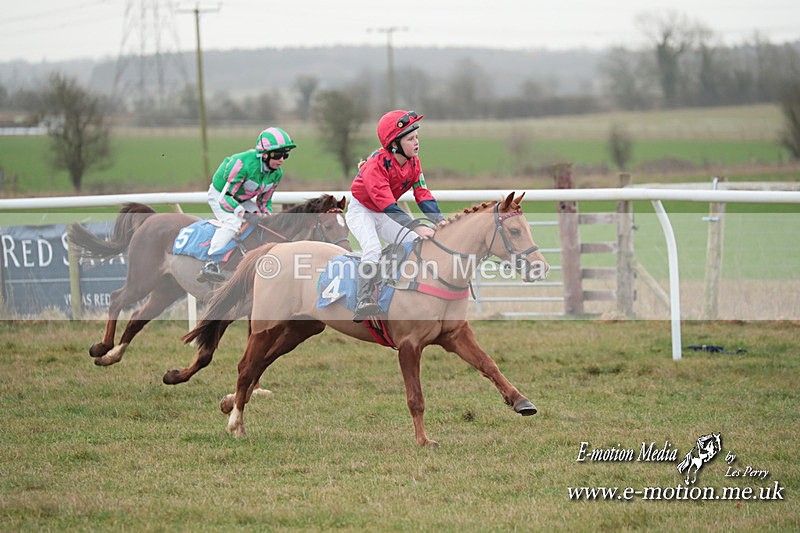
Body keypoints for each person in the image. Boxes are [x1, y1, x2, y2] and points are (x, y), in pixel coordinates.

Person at [346, 110, 445, 321]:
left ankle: (397, 289)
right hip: (362, 210)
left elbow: (423, 195)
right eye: (410, 139)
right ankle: (362, 300)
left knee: (415, 242)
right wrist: (416, 225)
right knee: (372, 248)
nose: (416, 142)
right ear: (394, 144)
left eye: (417, 137)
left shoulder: (414, 162)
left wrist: (441, 221)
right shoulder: (376, 165)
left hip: (383, 212)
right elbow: (387, 204)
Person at [198, 127, 296, 282]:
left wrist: (267, 217)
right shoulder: (242, 164)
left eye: (285, 155)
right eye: (278, 155)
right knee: (233, 222)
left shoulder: (277, 174)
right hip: (221, 195)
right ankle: (210, 263)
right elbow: (226, 198)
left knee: (263, 222)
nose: (281, 159)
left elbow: (264, 202)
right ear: (265, 154)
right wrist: (244, 213)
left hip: (242, 198)